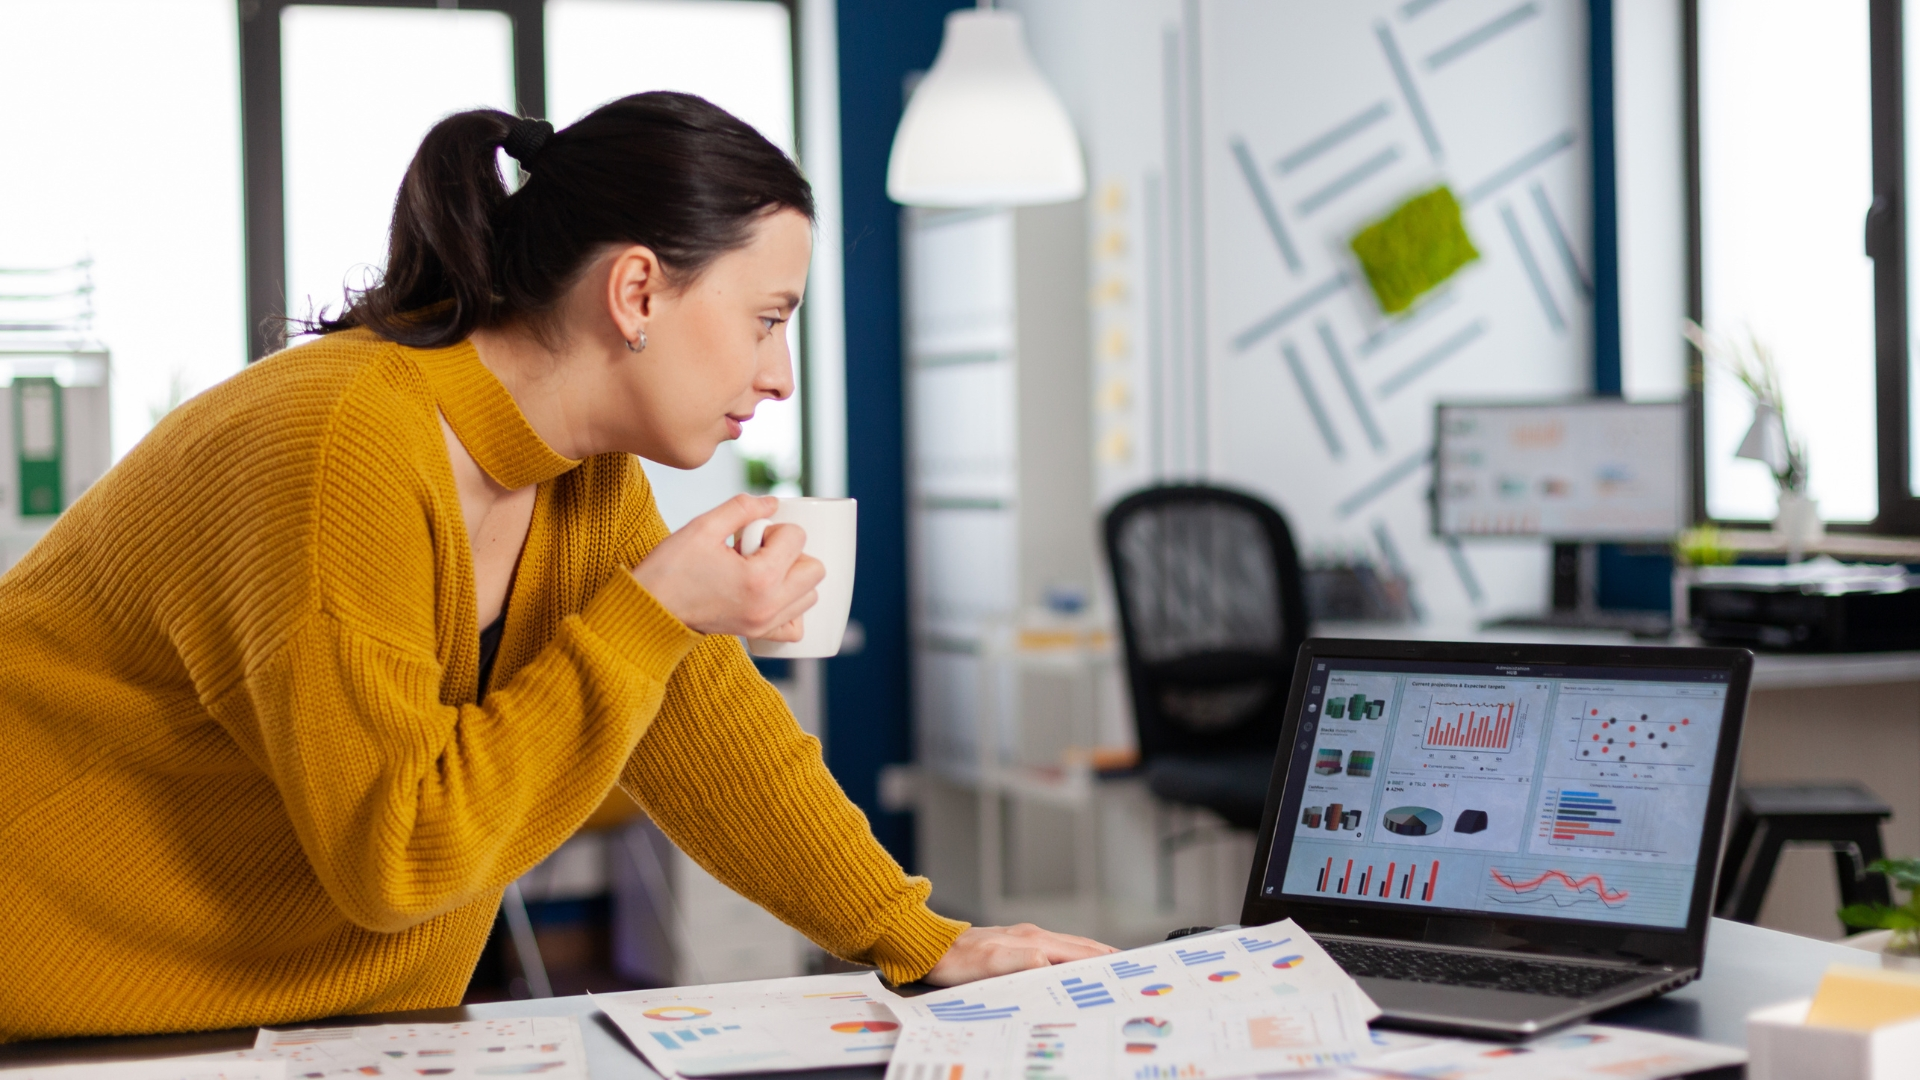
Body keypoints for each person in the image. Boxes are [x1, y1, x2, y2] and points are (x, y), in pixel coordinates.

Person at [0, 92, 1111, 1041]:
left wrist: (923, 942)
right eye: (767, 319)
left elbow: (718, 742)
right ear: (636, 292)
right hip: (56, 993)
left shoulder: (584, 484)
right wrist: (653, 612)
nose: (780, 374)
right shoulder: (340, 442)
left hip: (262, 1029)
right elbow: (401, 859)